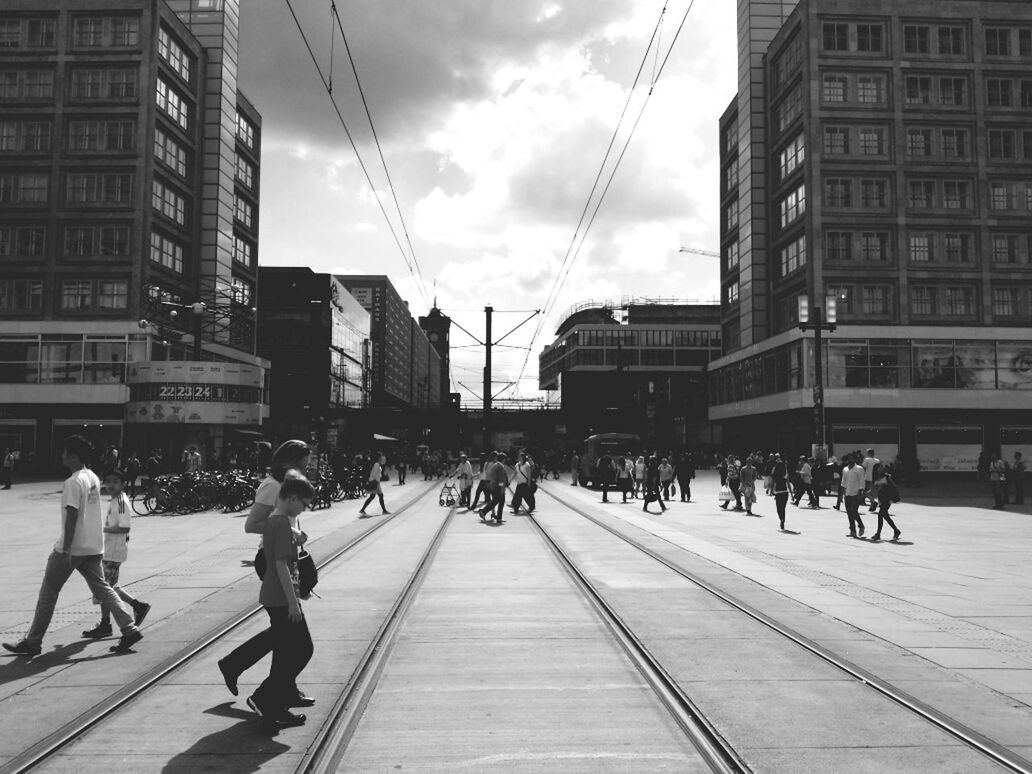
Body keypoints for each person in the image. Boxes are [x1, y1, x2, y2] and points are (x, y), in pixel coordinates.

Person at [3, 435, 143, 657]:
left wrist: (65, 549)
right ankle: (129, 628)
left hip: (72, 548)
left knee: (49, 592)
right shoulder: (93, 477)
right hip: (93, 546)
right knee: (103, 588)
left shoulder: (72, 482)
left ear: (73, 456)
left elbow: (72, 516)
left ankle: (33, 641)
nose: (62, 457)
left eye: (64, 453)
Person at [219, 440, 314, 706]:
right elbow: (251, 524)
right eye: (301, 466)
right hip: (272, 560)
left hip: (285, 556)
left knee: (285, 633)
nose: (304, 471)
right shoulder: (272, 486)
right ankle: (249, 677)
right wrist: (290, 533)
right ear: (287, 463)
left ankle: (282, 688)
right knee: (289, 635)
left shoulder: (290, 486)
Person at [247, 475, 316, 730]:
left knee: (290, 651)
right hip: (280, 598)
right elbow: (281, 565)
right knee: (302, 649)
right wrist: (293, 603)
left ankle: (273, 704)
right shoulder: (281, 525)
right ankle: (265, 697)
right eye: (304, 505)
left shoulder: (275, 522)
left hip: (276, 596)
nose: (304, 510)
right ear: (292, 498)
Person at [82, 469, 151, 639]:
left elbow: (125, 527)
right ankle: (136, 607)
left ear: (123, 484)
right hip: (110, 551)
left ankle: (107, 623)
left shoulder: (121, 502)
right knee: (107, 587)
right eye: (108, 481)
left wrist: (101, 529)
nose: (111, 485)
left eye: (115, 481)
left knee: (104, 589)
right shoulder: (115, 500)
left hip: (114, 552)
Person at [871, 471, 901, 542]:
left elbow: (880, 487)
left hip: (886, 501)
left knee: (880, 515)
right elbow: (880, 490)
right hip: (884, 500)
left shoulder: (885, 480)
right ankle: (896, 531)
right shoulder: (885, 479)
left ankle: (878, 534)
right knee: (885, 516)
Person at [841, 454, 867, 538]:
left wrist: (861, 491)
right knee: (849, 513)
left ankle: (861, 525)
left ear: (855, 459)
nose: (850, 460)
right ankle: (853, 531)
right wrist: (841, 495)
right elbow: (843, 482)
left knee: (853, 511)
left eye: (851, 459)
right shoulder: (845, 469)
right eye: (848, 459)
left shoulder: (859, 469)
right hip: (847, 494)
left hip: (856, 494)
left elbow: (862, 481)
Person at [480, 452, 508, 522]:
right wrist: (502, 489)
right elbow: (501, 480)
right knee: (500, 502)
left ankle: (484, 512)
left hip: (493, 486)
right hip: (498, 488)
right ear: (503, 459)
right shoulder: (500, 467)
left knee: (495, 501)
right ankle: (496, 517)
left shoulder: (495, 465)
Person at [771, 453, 790, 529]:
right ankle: (783, 520)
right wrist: (792, 495)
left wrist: (771, 490)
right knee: (783, 508)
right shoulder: (785, 473)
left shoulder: (775, 473)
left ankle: (781, 519)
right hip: (785, 492)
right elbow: (788, 483)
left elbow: (773, 481)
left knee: (779, 508)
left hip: (778, 492)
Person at [862, 448, 881, 512]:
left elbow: (863, 468)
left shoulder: (867, 459)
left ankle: (873, 502)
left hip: (867, 478)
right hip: (875, 479)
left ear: (869, 453)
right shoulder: (877, 460)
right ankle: (872, 506)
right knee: (871, 493)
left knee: (865, 492)